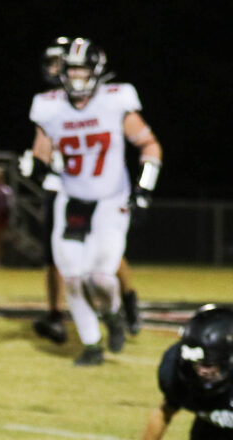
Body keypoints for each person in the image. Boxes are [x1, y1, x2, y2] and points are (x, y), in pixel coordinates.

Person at [27, 37, 161, 365]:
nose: (75, 77)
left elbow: (150, 148)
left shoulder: (116, 100)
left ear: (97, 71)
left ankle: (114, 315)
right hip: (71, 198)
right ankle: (91, 345)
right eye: (71, 69)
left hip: (109, 199)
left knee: (100, 277)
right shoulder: (49, 106)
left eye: (82, 70)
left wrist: (143, 191)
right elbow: (41, 152)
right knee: (72, 277)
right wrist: (34, 165)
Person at [113, 305, 233, 440]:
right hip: (217, 414)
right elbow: (164, 412)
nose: (201, 371)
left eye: (209, 365)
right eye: (196, 364)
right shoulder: (177, 368)